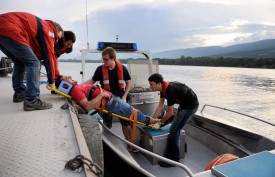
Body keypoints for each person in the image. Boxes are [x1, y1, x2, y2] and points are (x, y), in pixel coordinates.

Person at [0, 12, 63, 111]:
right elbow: (49, 56)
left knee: (19, 61)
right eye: (57, 38)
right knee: (34, 63)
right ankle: (32, 100)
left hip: (4, 26)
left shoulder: (40, 26)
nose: (55, 41)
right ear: (56, 30)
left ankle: (19, 93)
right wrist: (52, 81)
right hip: (9, 27)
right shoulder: (49, 30)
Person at [55, 75, 159, 126]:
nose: (70, 76)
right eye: (66, 78)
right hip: (111, 103)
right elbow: (87, 106)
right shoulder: (75, 90)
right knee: (136, 114)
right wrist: (102, 95)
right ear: (64, 85)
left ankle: (156, 121)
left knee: (135, 113)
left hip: (112, 100)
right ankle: (157, 123)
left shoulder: (76, 88)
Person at [84, 47, 133, 150]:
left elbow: (128, 82)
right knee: (107, 121)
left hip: (120, 99)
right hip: (106, 100)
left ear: (113, 59)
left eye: (106, 59)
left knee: (126, 122)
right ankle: (108, 143)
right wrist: (80, 86)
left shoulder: (122, 68)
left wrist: (124, 96)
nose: (104, 61)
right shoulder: (100, 69)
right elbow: (92, 81)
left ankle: (130, 144)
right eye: (103, 59)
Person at [148, 73, 199, 167]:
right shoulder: (162, 89)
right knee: (176, 126)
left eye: (151, 84)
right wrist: (153, 119)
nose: (150, 86)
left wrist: (158, 124)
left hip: (190, 106)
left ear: (159, 83)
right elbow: (160, 106)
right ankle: (182, 147)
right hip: (184, 104)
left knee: (174, 130)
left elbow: (170, 113)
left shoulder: (169, 90)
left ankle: (174, 159)